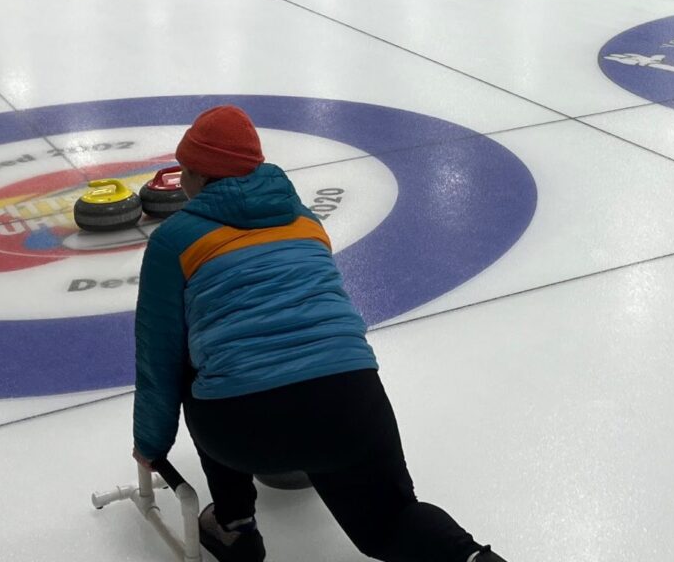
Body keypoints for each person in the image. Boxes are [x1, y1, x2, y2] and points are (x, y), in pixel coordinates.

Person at [133, 107, 506, 562]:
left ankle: (234, 524)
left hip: (243, 431)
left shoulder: (174, 239)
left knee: (199, 359)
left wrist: (151, 445)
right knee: (392, 521)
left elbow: (160, 356)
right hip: (351, 408)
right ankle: (473, 559)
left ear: (194, 175)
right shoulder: (307, 222)